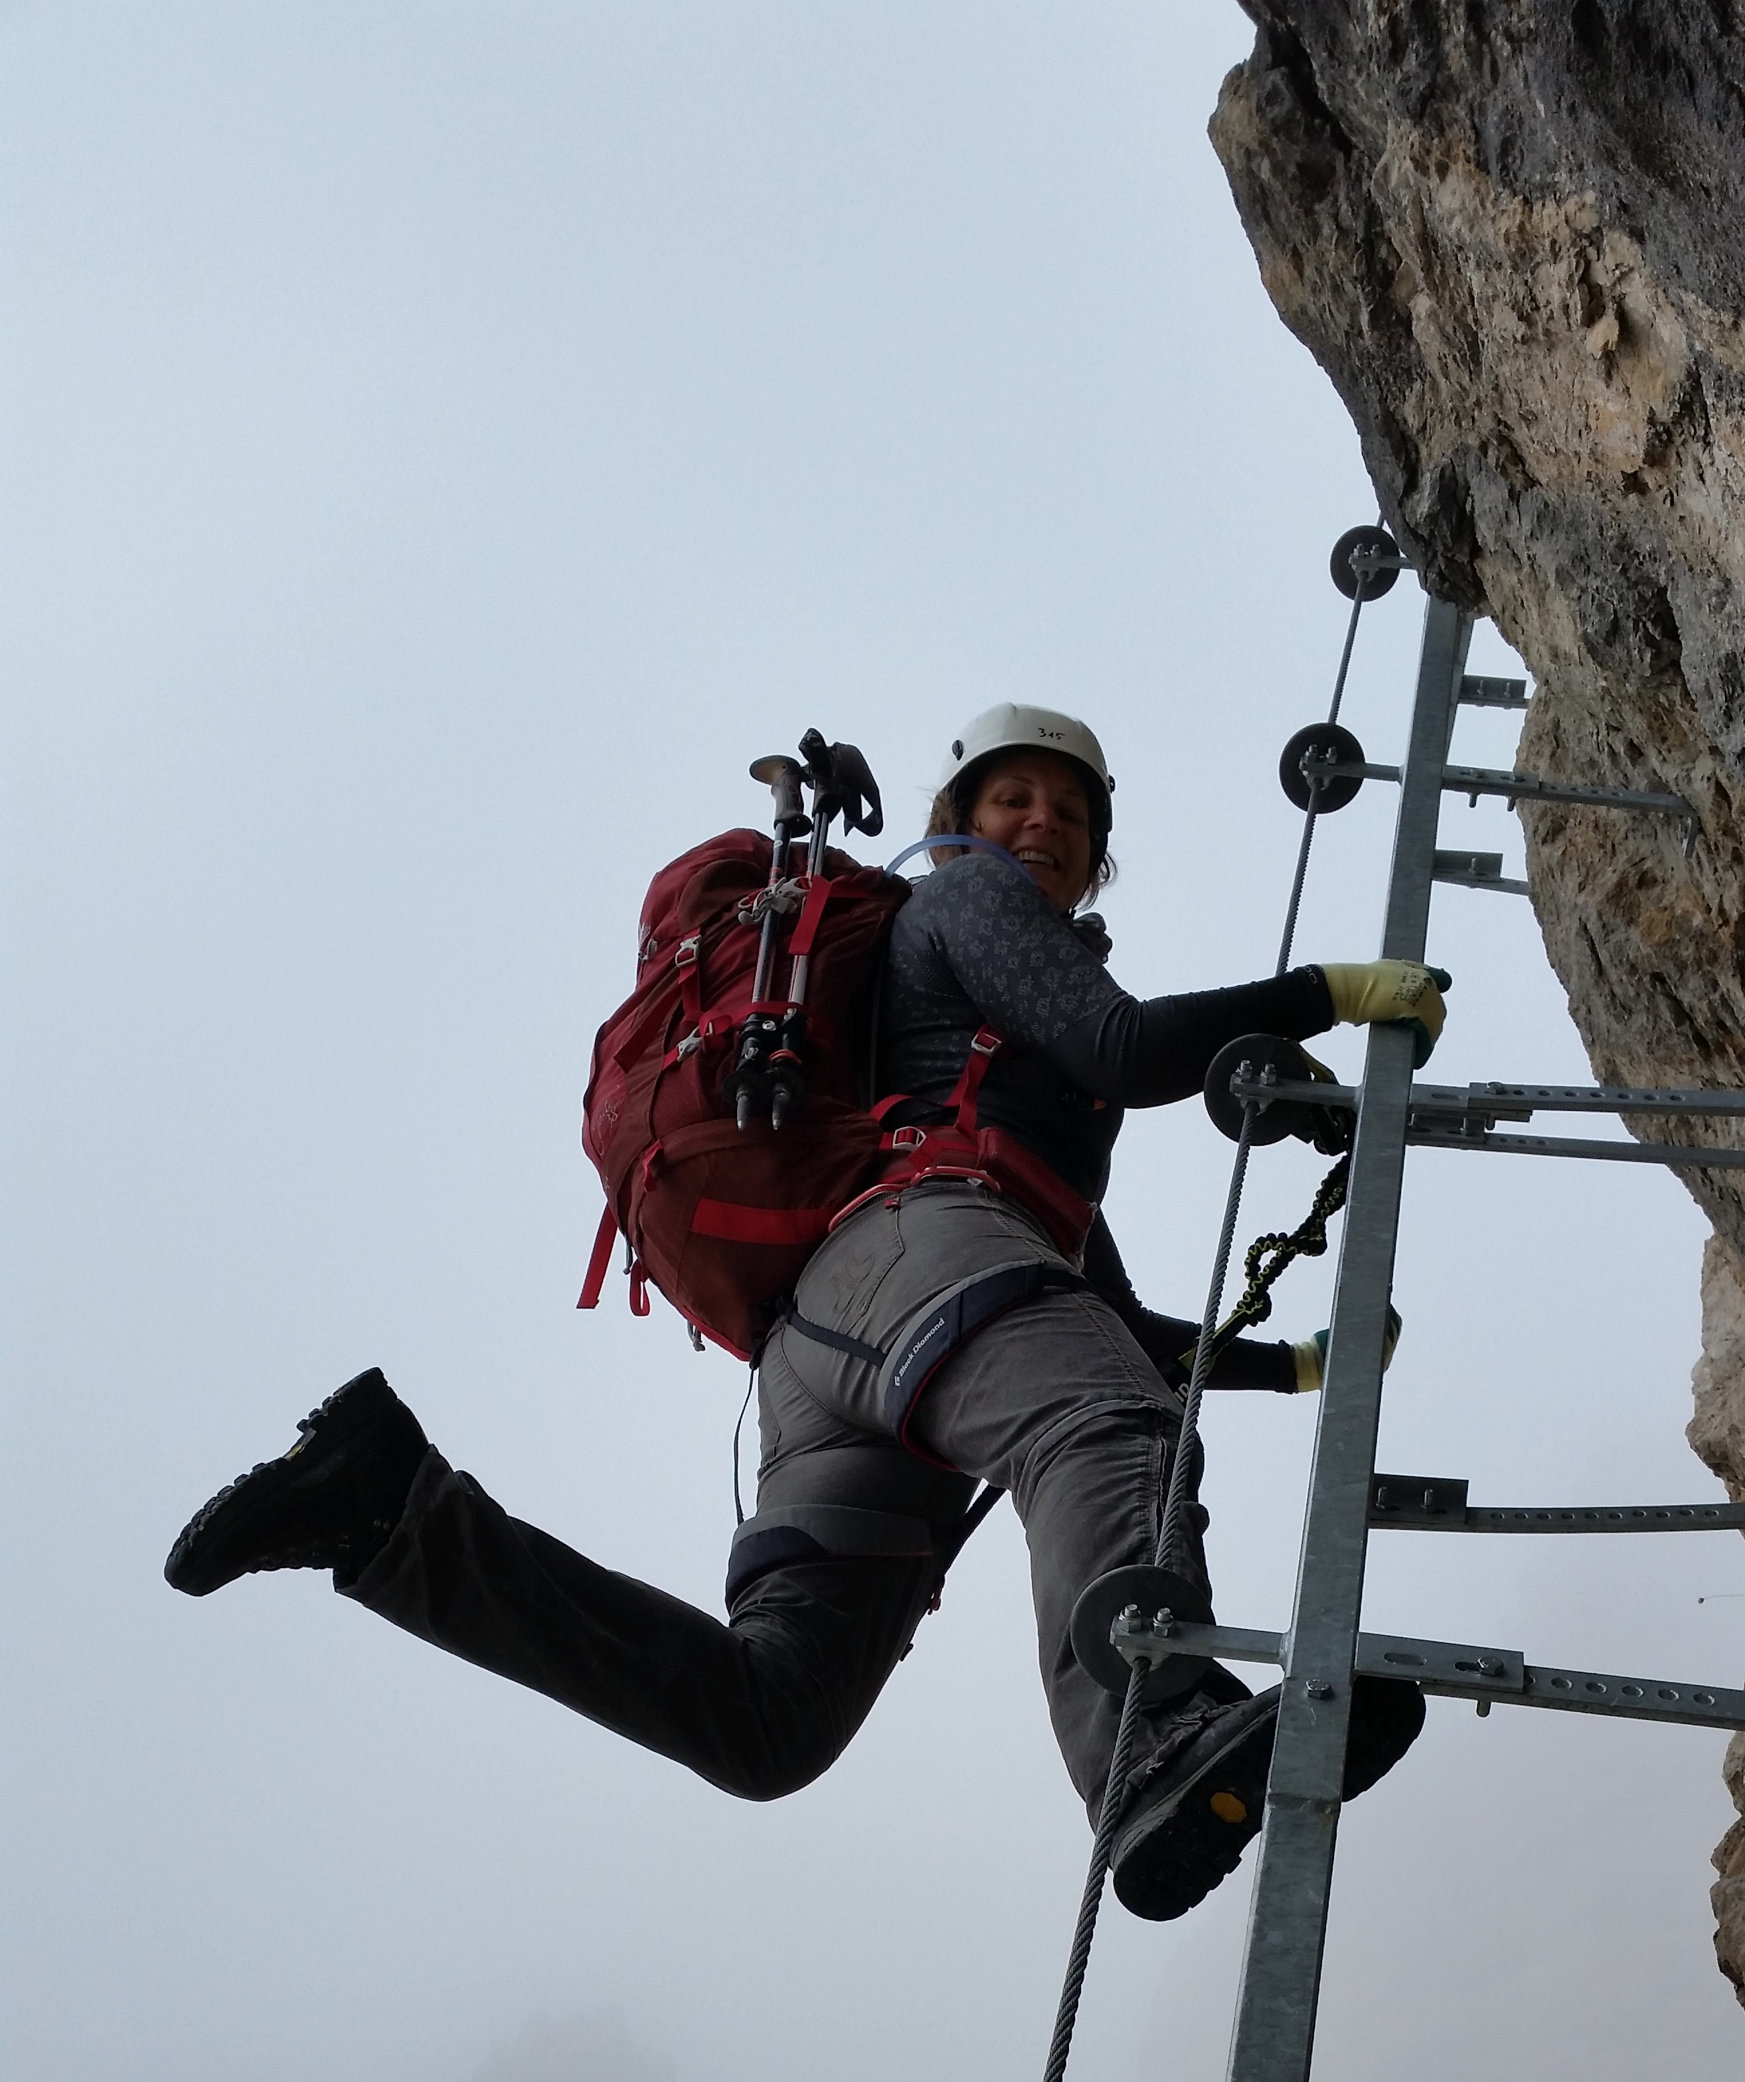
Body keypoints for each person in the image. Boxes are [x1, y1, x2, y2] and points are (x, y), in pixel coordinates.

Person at [167, 704, 1442, 1919]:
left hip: (845, 1337)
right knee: (1104, 1428)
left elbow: (1111, 1323)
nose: (1041, 824)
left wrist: (1293, 1367)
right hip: (907, 1256)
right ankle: (1154, 1730)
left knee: (768, 1722)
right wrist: (1322, 990)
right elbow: (1126, 1047)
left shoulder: (994, 1097)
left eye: (1069, 811)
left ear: (1098, 854)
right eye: (1013, 798)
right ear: (958, 820)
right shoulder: (964, 898)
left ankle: (387, 1511)